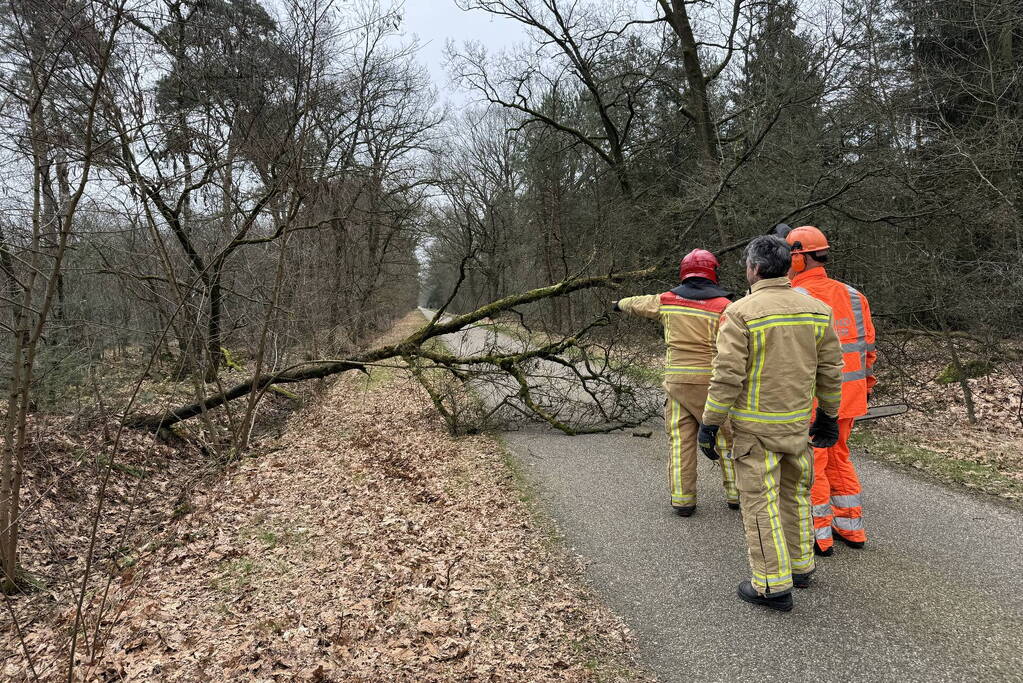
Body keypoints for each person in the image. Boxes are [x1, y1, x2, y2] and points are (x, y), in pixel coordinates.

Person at [698, 236, 844, 611]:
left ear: (755, 269)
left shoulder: (740, 313)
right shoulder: (818, 311)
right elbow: (831, 371)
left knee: (759, 503)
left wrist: (710, 423)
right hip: (798, 427)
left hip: (754, 431)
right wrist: (828, 415)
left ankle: (771, 585)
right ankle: (800, 567)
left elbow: (727, 376)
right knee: (795, 496)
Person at [613, 249, 739, 516]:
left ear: (683, 273)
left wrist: (619, 303)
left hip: (677, 384)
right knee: (726, 438)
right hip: (711, 384)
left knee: (681, 442)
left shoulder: (667, 300)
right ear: (713, 272)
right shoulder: (724, 306)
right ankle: (736, 494)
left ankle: (683, 500)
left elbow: (639, 302)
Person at [784, 226, 876, 554]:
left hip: (813, 400)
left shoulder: (794, 299)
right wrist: (866, 387)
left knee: (813, 464)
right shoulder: (854, 296)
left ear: (797, 259)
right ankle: (851, 527)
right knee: (839, 458)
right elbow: (868, 350)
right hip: (849, 397)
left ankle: (818, 535)